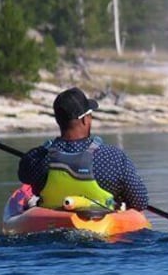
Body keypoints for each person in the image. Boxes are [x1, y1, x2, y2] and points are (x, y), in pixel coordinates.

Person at [18, 87, 149, 211]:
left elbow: (24, 176)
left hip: (51, 224)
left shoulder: (37, 159)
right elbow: (140, 201)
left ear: (58, 121)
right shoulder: (114, 157)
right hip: (102, 226)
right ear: (85, 120)